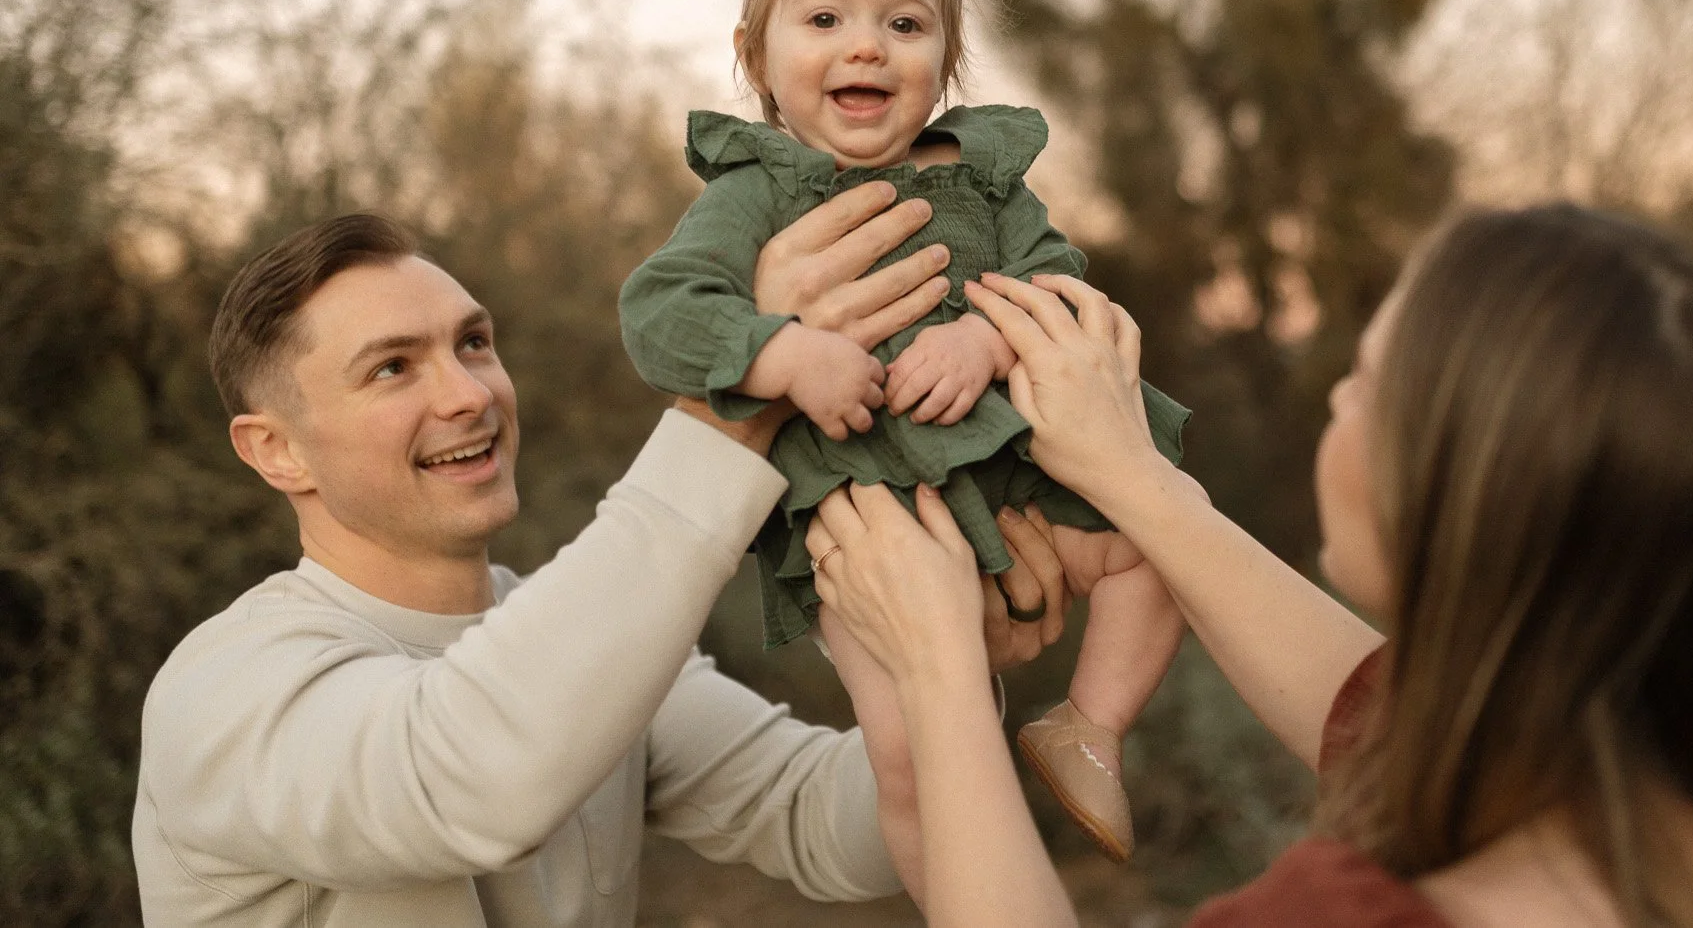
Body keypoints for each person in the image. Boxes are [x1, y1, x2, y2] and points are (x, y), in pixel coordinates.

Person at [805, 205, 1693, 927]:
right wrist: (1137, 482)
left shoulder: (1363, 918)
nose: (1337, 393)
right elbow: (1383, 713)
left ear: (1460, 503)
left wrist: (935, 674)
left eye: (1369, 379)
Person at [131, 194, 1068, 928]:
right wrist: (740, 384)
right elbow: (466, 777)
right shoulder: (223, 688)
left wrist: (945, 657)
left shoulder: (572, 641)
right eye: (392, 367)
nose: (470, 393)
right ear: (274, 450)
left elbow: (826, 822)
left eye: (473, 343)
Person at [617, 0, 1191, 879]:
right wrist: (782, 351)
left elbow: (1060, 285)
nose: (866, 48)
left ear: (946, 59)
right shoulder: (755, 195)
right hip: (862, 506)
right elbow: (659, 312)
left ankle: (1088, 726)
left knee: (1166, 538)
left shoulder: (981, 182)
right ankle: (955, 899)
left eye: (904, 23)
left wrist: (986, 335)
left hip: (1012, 466)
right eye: (825, 19)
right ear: (755, 54)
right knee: (912, 754)